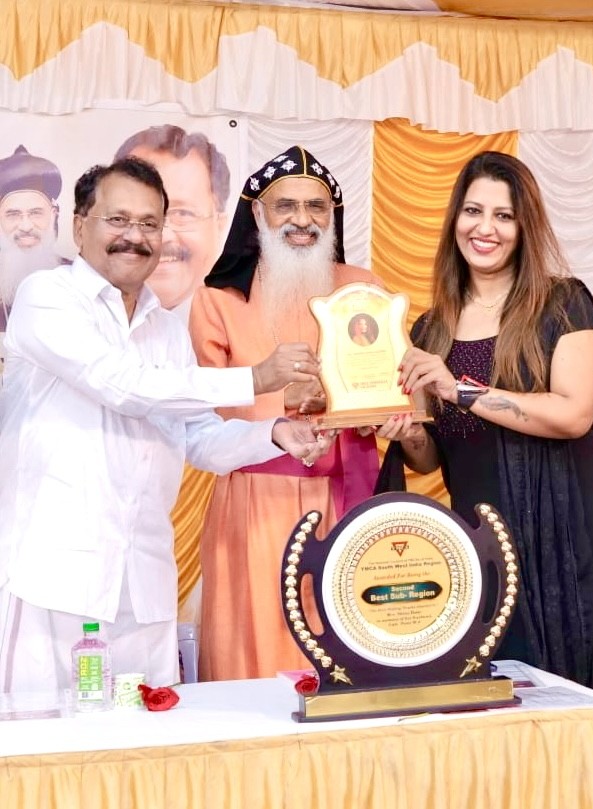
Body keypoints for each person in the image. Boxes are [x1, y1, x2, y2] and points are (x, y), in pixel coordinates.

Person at [0, 156, 332, 694]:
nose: (134, 236)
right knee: (45, 738)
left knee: (143, 737)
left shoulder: (165, 330)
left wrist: (272, 434)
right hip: (54, 583)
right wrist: (256, 378)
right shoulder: (47, 297)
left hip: (144, 586)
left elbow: (197, 437)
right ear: (79, 227)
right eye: (117, 220)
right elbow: (122, 384)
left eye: (149, 223)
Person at [375, 150, 593, 689]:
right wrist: (410, 433)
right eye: (473, 211)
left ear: (524, 228)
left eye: (504, 216)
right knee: (500, 692)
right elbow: (432, 457)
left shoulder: (563, 302)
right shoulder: (430, 328)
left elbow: (574, 414)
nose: (485, 229)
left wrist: (459, 389)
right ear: (455, 218)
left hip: (568, 532)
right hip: (482, 544)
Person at [190, 145, 384, 681]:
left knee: (348, 652)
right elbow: (205, 420)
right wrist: (281, 408)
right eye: (286, 206)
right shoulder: (218, 299)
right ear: (257, 213)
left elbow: (386, 384)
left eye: (316, 206)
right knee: (257, 647)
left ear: (333, 215)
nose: (303, 220)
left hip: (346, 492)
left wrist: (373, 408)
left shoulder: (363, 288)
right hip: (256, 499)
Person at [114, 125, 229, 318]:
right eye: (142, 215)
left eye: (183, 214)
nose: (162, 236)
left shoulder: (246, 323)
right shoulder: (71, 314)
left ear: (219, 227)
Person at [0, 145, 70, 364]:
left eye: (36, 213)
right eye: (13, 214)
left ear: (54, 214)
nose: (26, 226)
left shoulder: (76, 278)